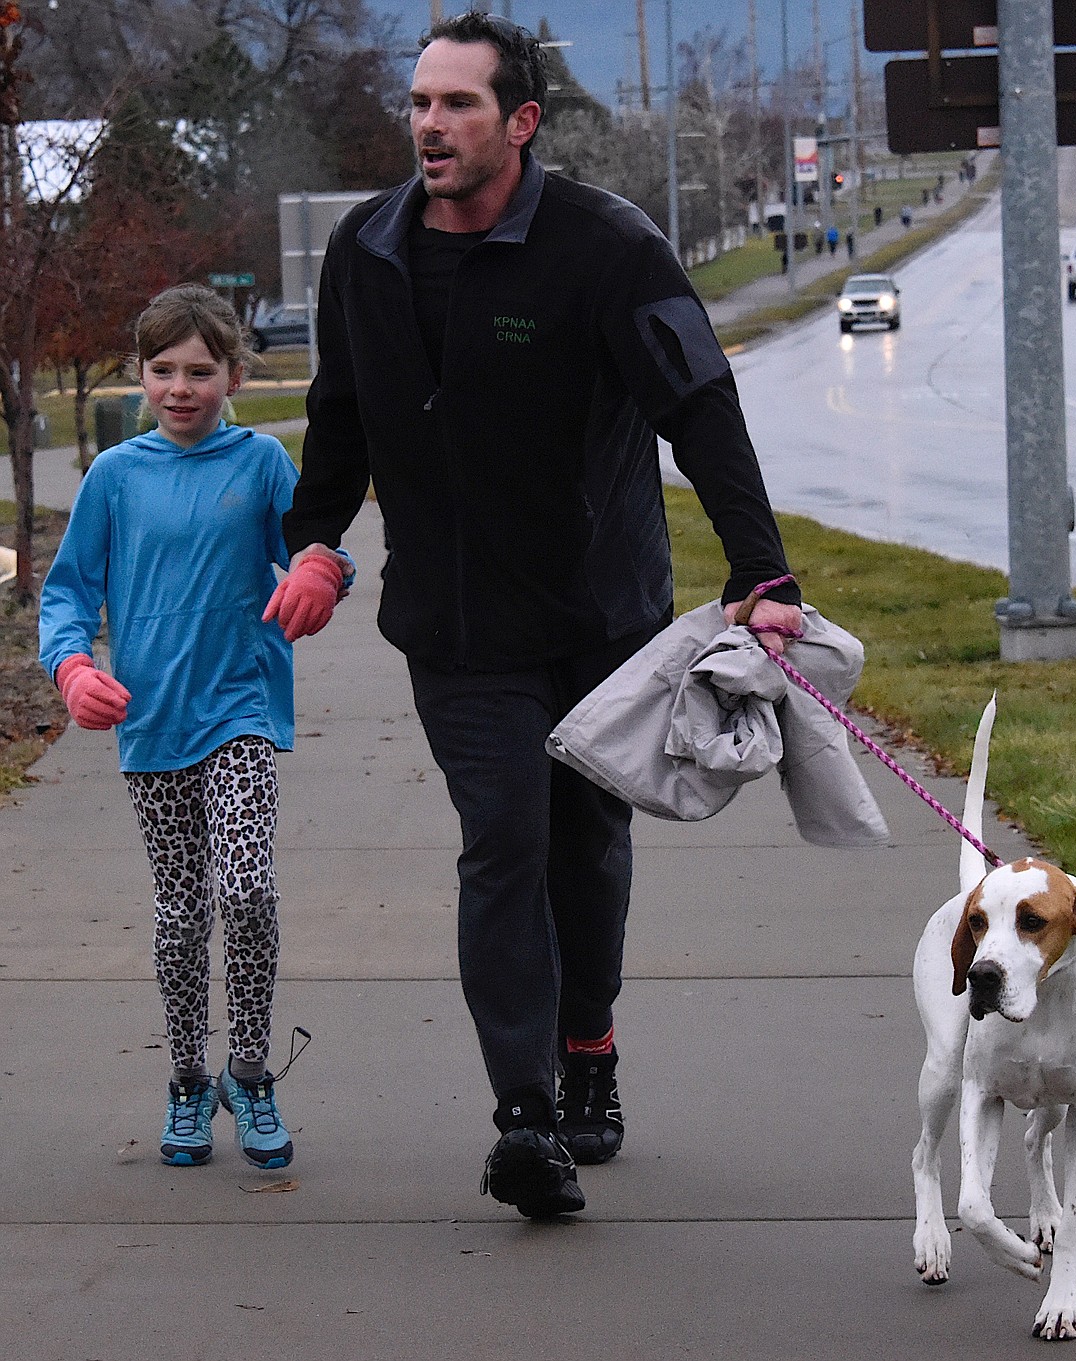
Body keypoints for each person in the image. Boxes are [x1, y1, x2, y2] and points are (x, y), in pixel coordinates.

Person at [277, 11, 803, 1218]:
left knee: (584, 847)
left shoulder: (607, 248)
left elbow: (701, 410)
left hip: (598, 616)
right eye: (418, 103)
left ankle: (589, 1044)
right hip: (457, 626)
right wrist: (312, 540)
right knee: (501, 839)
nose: (428, 125)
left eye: (457, 104)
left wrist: (763, 571)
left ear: (519, 121)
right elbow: (340, 417)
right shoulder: (368, 251)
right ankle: (524, 1119)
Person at [39, 284, 350, 1171]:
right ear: (139, 376)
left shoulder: (258, 464)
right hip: (150, 721)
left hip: (238, 710)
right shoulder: (115, 476)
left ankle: (248, 1071)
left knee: (246, 886)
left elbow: (315, 545)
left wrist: (322, 572)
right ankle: (185, 1080)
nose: (181, 386)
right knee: (181, 912)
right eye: (163, 369)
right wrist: (72, 667)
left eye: (201, 370)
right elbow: (66, 595)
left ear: (235, 377)